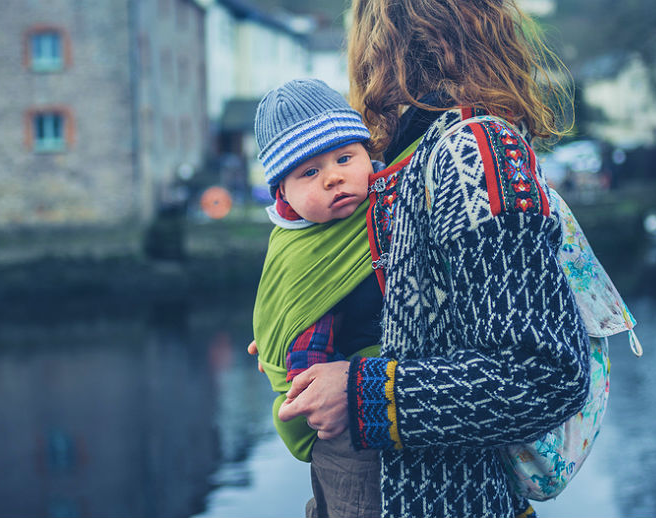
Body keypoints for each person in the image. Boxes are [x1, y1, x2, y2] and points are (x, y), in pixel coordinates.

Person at [258, 1, 592, 517]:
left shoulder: (473, 149)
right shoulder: (408, 150)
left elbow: (543, 372)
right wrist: (304, 330)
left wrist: (358, 392)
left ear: (391, 40)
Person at [251, 78, 391, 518]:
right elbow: (299, 339)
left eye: (345, 158)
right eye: (309, 172)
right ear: (283, 193)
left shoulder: (386, 204)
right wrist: (296, 371)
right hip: (345, 431)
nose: (333, 176)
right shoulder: (300, 249)